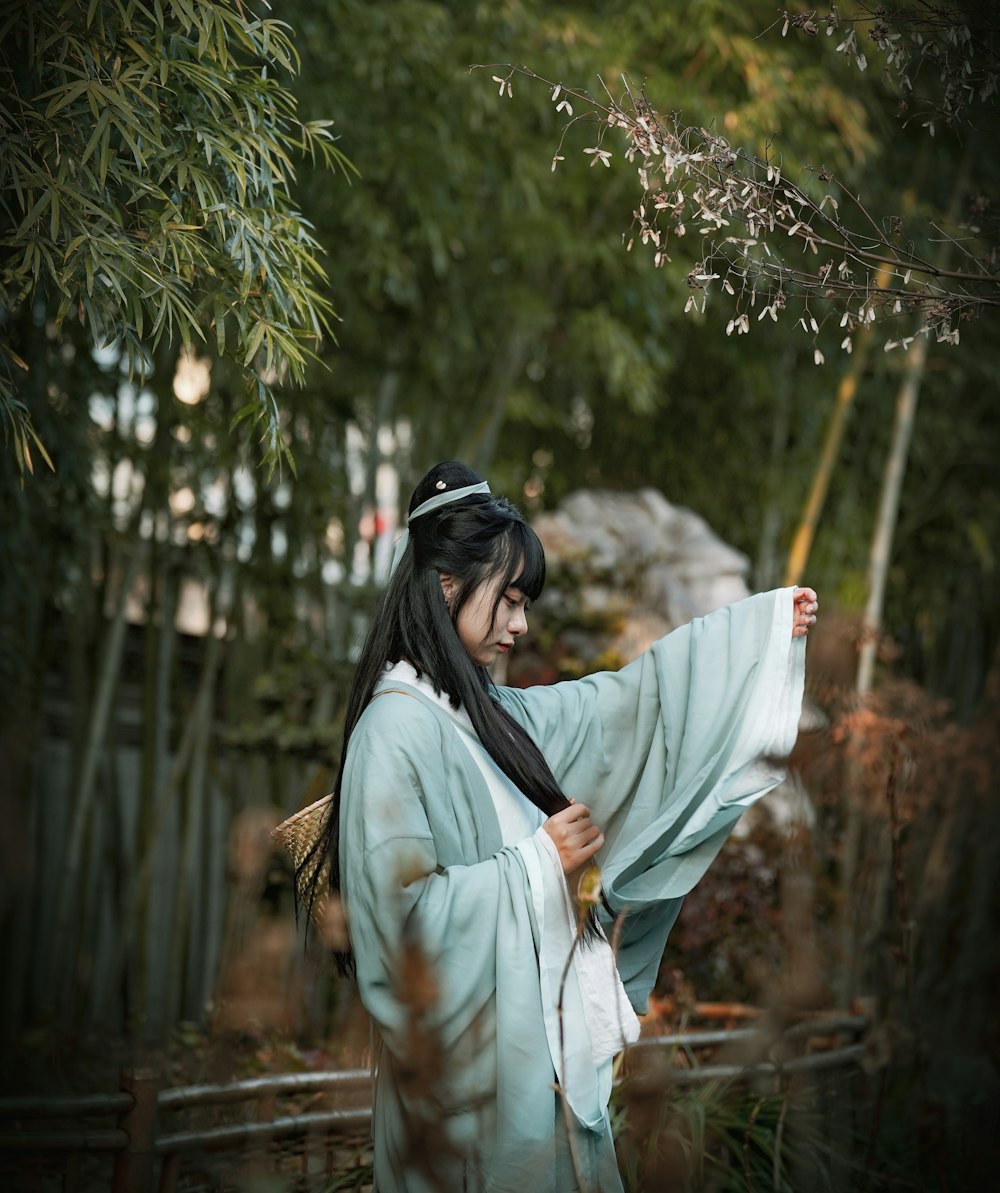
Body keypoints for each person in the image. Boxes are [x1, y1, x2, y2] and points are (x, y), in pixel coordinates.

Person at [319, 460, 817, 1193]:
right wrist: (534, 865)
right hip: (461, 1107)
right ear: (447, 584)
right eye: (510, 599)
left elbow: (624, 707)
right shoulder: (392, 730)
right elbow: (395, 934)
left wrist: (759, 635)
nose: (521, 623)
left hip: (538, 1070)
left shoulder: (493, 715)